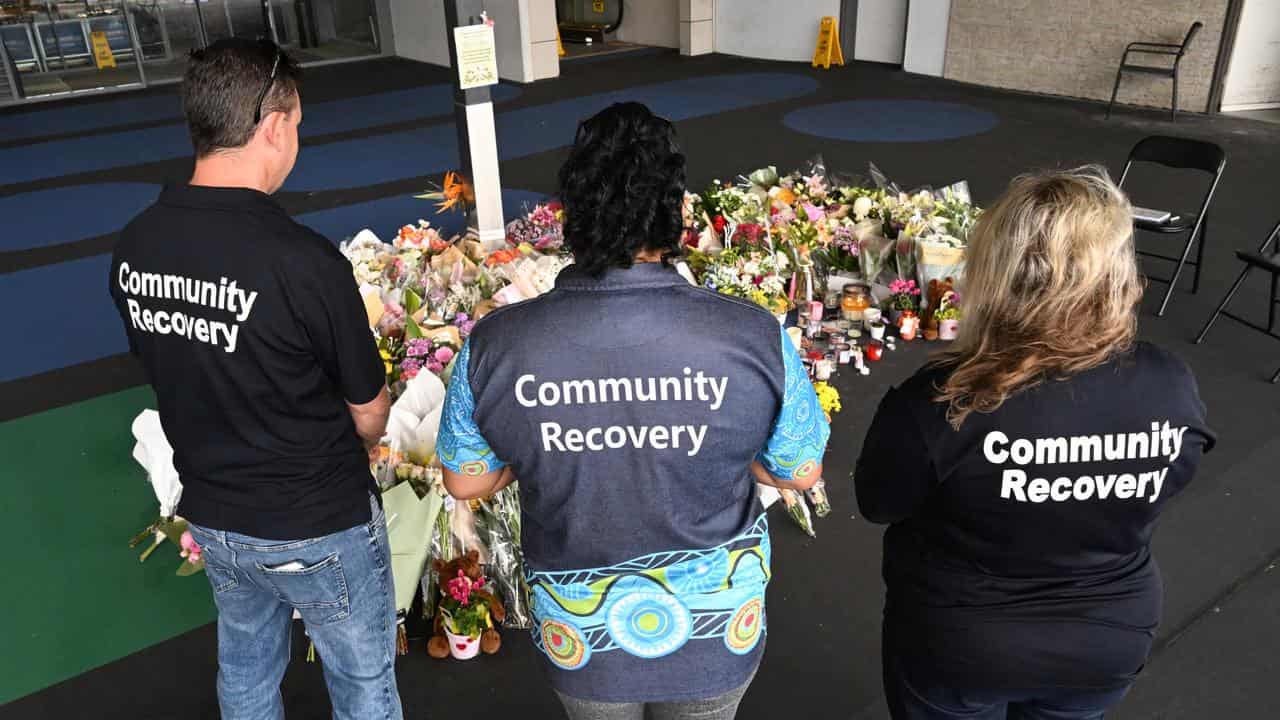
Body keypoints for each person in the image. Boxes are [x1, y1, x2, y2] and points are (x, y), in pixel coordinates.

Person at [434, 102, 831, 720]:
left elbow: (465, 479)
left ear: (573, 214)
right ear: (673, 211)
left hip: (579, 628)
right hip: (718, 623)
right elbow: (800, 470)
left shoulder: (495, 343)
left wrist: (533, 455)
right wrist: (746, 462)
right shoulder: (752, 335)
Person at [108, 39, 402, 720]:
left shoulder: (136, 244)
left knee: (245, 675)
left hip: (214, 514)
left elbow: (172, 364)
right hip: (317, 522)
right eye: (296, 124)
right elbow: (371, 414)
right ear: (274, 125)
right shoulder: (302, 261)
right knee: (363, 686)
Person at [854, 167, 1215, 720]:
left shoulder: (942, 399)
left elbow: (880, 503)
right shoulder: (1169, 381)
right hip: (1106, 639)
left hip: (960, 643)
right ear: (1117, 273)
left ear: (995, 271)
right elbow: (1174, 474)